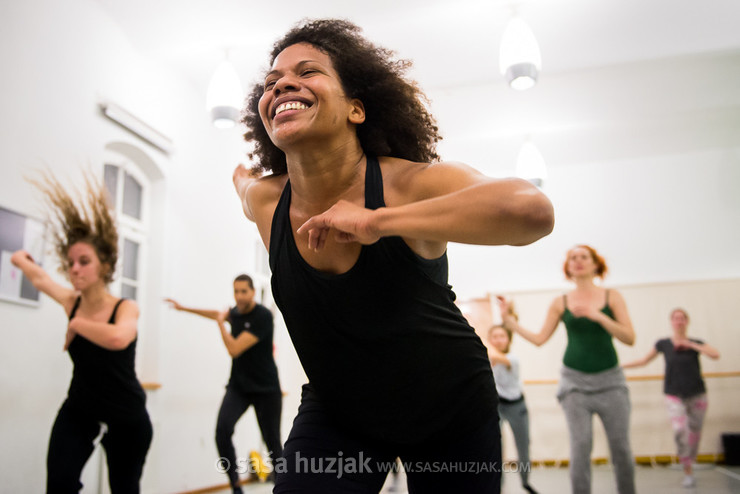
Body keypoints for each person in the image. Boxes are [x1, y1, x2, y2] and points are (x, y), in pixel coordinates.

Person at [231, 18, 554, 494]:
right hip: (340, 411)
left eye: (308, 71)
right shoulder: (264, 201)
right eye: (271, 82)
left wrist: (377, 221)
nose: (282, 84)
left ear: (356, 109)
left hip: (450, 407)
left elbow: (532, 211)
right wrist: (238, 173)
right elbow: (240, 180)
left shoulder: (410, 184)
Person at [10, 171, 152, 493]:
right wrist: (21, 257)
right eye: (71, 262)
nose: (74, 269)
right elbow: (39, 278)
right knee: (59, 483)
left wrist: (77, 324)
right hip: (81, 408)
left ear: (104, 265)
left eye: (84, 261)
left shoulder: (125, 307)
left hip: (127, 415)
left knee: (124, 488)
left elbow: (118, 338)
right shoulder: (70, 300)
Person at [498, 245, 636, 494]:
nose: (578, 261)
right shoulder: (560, 302)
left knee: (621, 448)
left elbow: (629, 337)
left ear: (595, 264)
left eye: (584, 256)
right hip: (574, 385)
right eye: (573, 258)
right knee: (580, 447)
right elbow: (539, 339)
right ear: (568, 267)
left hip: (611, 383)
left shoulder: (611, 296)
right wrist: (510, 322)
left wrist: (599, 316)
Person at [165, 274, 282, 494]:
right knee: (222, 431)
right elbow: (215, 314)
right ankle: (236, 486)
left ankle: (285, 487)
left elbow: (234, 349)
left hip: (266, 389)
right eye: (236, 291)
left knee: (272, 442)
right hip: (239, 386)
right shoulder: (235, 313)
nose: (239, 296)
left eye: (243, 291)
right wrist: (184, 308)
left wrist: (221, 324)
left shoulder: (263, 317)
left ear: (253, 292)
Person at [622, 308, 720, 488]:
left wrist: (692, 345)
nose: (679, 321)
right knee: (679, 430)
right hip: (674, 394)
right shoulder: (663, 343)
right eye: (676, 318)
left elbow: (715, 354)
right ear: (671, 322)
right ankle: (687, 470)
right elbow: (644, 360)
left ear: (686, 321)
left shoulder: (696, 343)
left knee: (694, 433)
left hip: (697, 394)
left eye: (682, 318)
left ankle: (691, 460)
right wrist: (619, 366)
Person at [485, 310, 539, 494]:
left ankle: (525, 481)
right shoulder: (486, 360)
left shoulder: (512, 359)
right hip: (498, 406)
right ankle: (496, 486)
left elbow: (498, 357)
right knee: (495, 448)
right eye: (494, 337)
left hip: (517, 406)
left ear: (508, 339)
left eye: (502, 336)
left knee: (523, 445)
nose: (498, 340)